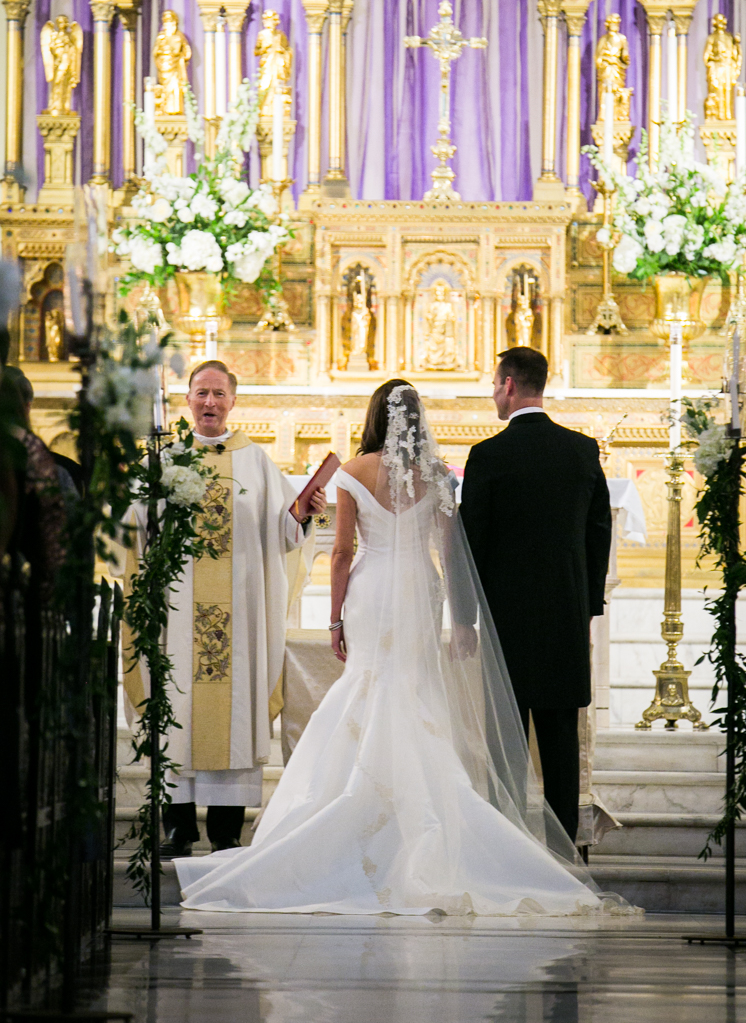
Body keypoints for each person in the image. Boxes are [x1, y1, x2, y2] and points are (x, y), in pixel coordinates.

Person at [173, 380, 624, 917]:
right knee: (415, 687)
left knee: (367, 685)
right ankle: (429, 821)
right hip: (419, 587)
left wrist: (335, 616)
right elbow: (451, 549)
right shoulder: (436, 476)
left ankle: (351, 813)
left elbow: (340, 553)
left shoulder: (354, 471)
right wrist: (462, 619)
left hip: (371, 587)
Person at [122, 360, 326, 857]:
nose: (209, 402)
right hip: (176, 616)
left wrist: (305, 514)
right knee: (176, 711)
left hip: (238, 621)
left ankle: (226, 831)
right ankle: (177, 827)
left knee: (235, 713)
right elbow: (134, 533)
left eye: (218, 393)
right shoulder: (164, 461)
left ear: (233, 401)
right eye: (201, 393)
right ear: (186, 400)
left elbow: (285, 533)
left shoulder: (255, 462)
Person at [460, 347, 612, 843]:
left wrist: (465, 614)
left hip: (504, 623)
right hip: (564, 619)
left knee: (505, 746)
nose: (493, 394)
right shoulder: (581, 450)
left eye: (493, 384)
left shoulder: (487, 456)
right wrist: (587, 605)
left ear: (508, 385)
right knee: (561, 745)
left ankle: (505, 849)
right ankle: (565, 853)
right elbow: (598, 533)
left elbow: (470, 543)